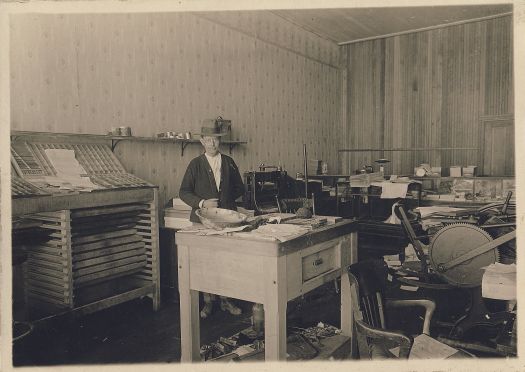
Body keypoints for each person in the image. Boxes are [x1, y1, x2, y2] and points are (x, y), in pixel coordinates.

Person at [179, 121, 245, 319]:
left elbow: (240, 188)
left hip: (226, 223)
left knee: (226, 262)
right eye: (208, 140)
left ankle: (226, 300)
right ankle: (208, 302)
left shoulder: (229, 162)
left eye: (215, 140)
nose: (212, 144)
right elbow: (183, 192)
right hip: (203, 222)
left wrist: (225, 202)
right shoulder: (195, 164)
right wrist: (201, 203)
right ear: (202, 141)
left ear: (219, 141)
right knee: (205, 262)